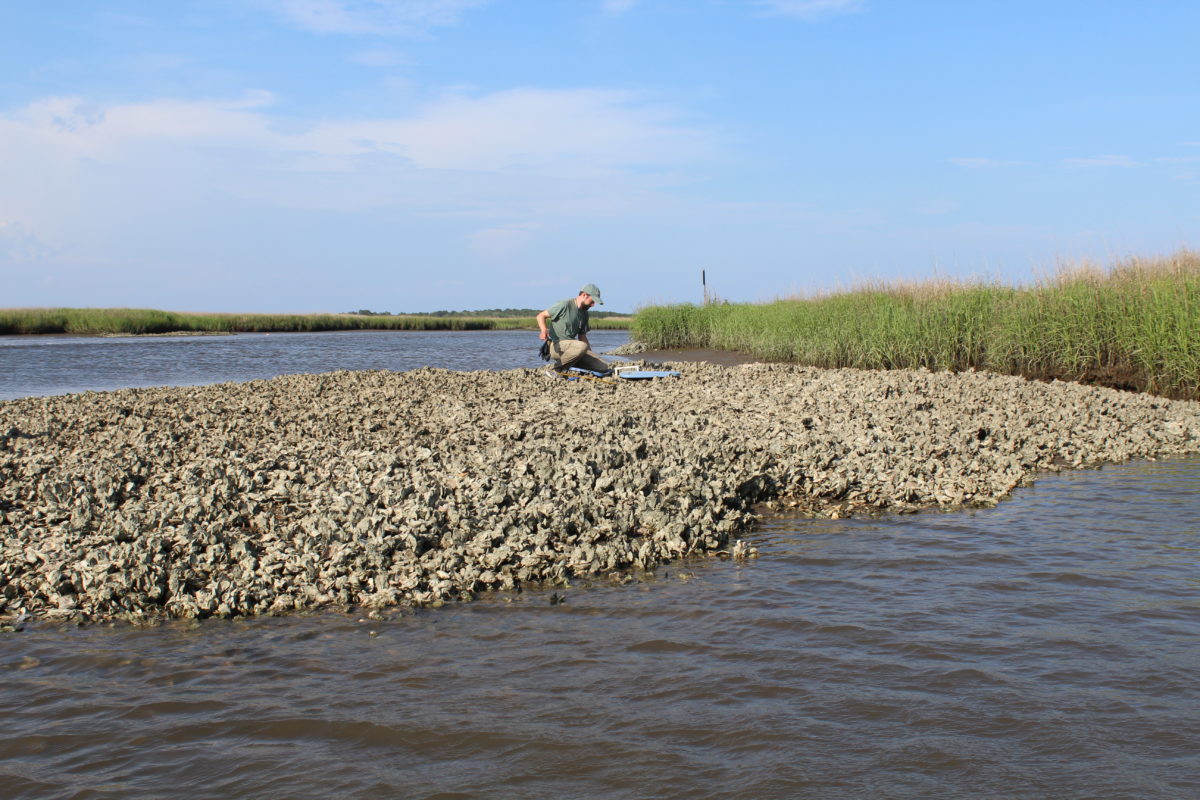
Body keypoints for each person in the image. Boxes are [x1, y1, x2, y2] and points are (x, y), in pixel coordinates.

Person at [537, 283, 612, 375]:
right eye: (592, 301)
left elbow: (582, 337)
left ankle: (571, 366)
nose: (593, 305)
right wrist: (544, 330)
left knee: (603, 366)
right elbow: (541, 316)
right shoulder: (564, 305)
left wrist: (591, 356)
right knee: (581, 346)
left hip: (573, 348)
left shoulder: (585, 314)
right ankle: (556, 370)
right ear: (584, 295)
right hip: (556, 345)